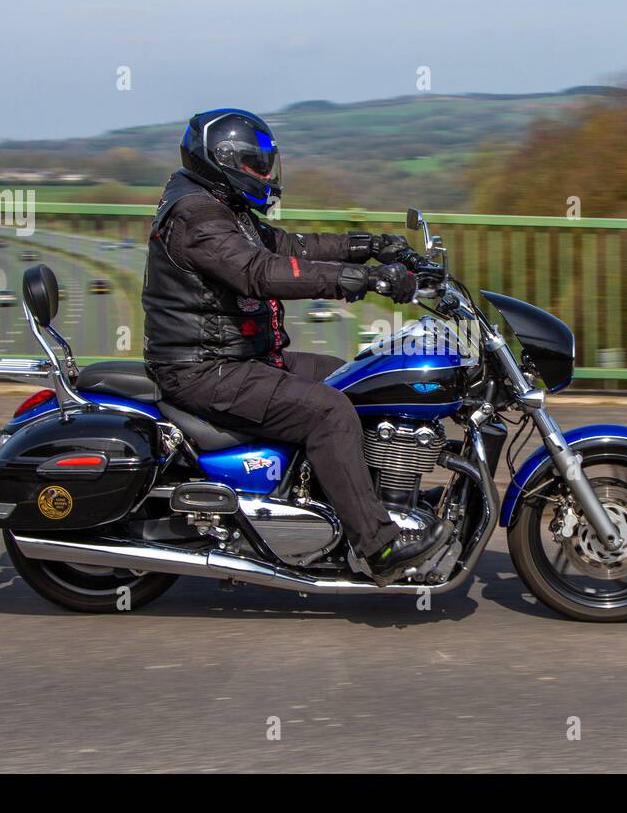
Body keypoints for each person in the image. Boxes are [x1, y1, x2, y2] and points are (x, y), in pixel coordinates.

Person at [142, 108, 453, 584]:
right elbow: (260, 272)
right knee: (328, 410)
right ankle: (379, 545)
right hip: (205, 368)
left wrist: (369, 247)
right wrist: (364, 281)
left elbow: (291, 247)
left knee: (352, 379)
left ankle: (360, 504)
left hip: (240, 357)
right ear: (222, 160)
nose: (265, 174)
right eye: (255, 164)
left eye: (266, 163)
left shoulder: (222, 206)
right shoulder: (197, 216)